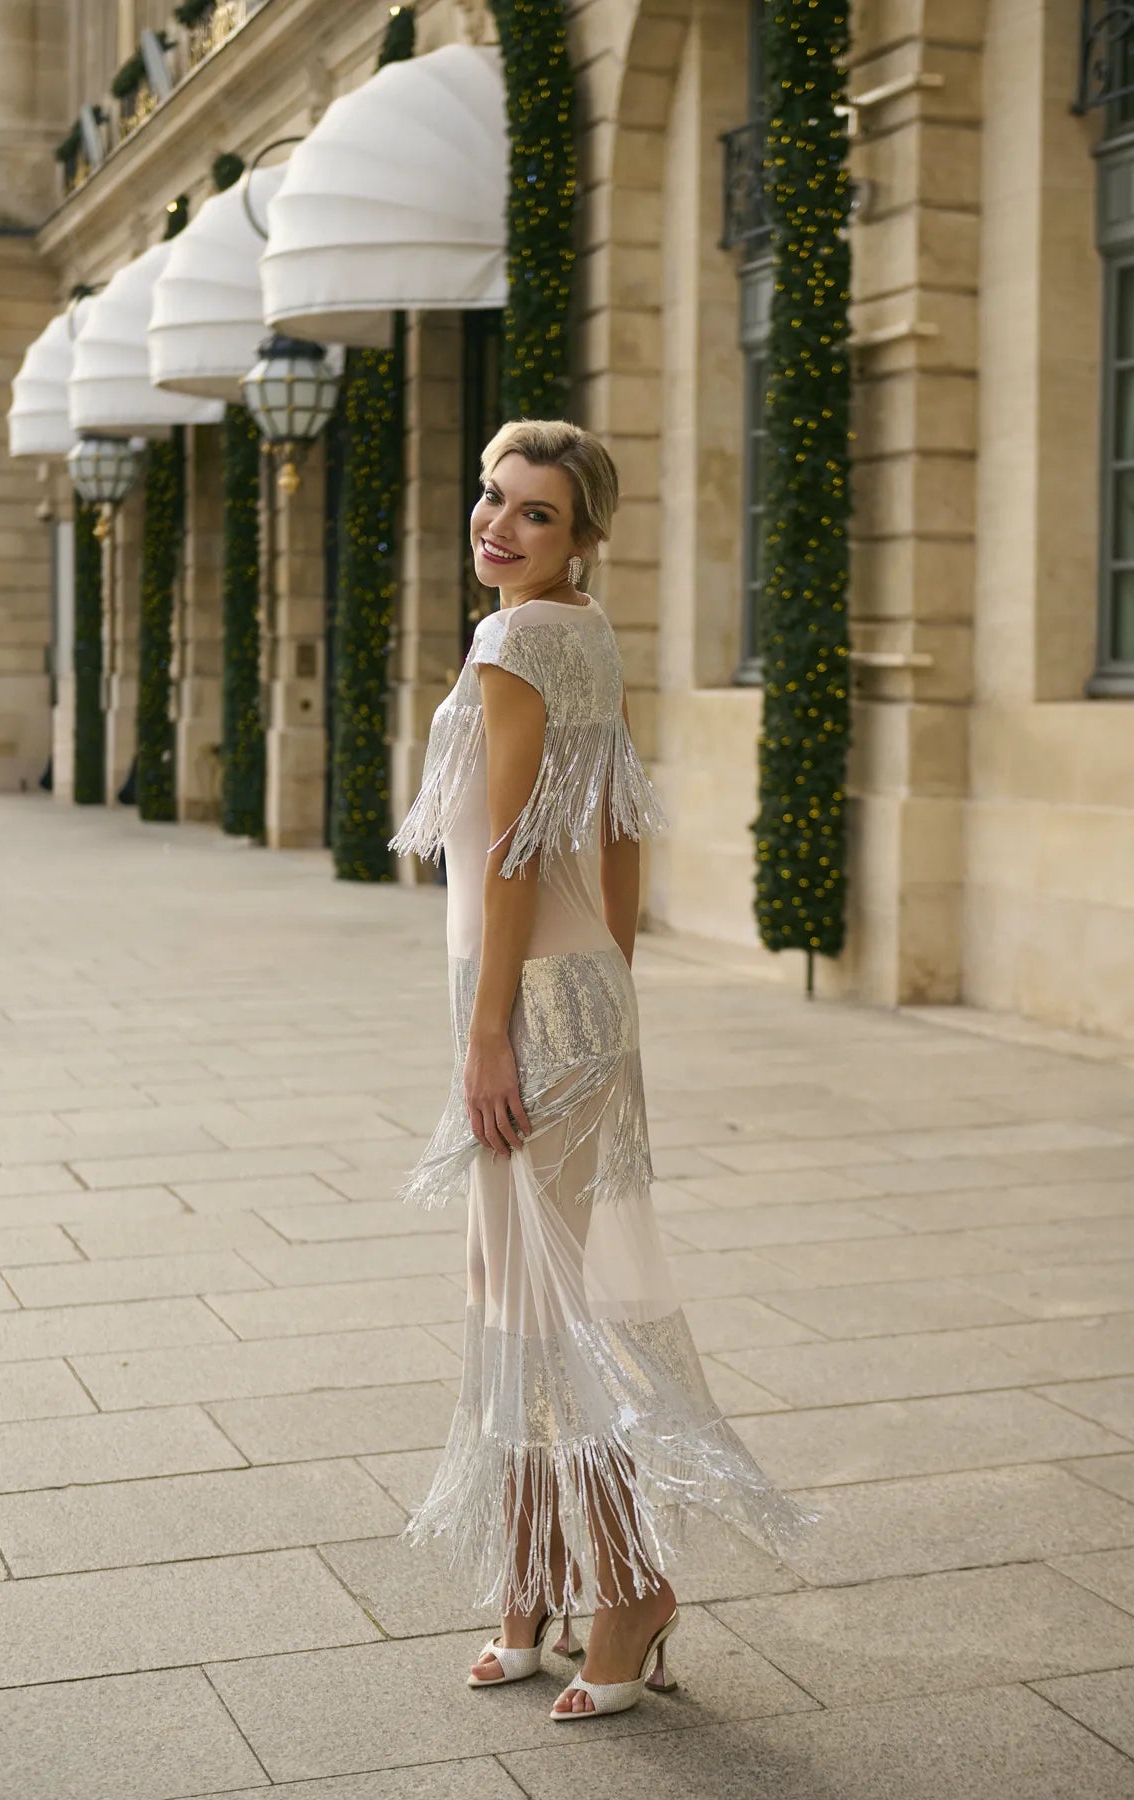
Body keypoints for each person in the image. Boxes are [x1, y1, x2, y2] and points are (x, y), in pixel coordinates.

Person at [389, 419, 810, 1721]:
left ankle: (626, 1589)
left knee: (554, 1310)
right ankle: (529, 1585)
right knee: (516, 1294)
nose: (498, 526)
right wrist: (604, 982)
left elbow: (514, 849)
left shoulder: (516, 641)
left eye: (535, 514)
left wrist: (489, 1034)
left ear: (581, 536)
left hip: (526, 1009)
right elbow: (617, 830)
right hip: (569, 996)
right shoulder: (578, 626)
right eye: (494, 498)